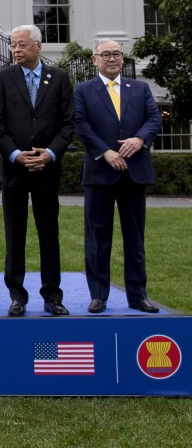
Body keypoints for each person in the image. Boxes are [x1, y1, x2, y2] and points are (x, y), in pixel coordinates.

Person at [0, 24, 74, 317]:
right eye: (13, 45)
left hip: (47, 170)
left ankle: (52, 295)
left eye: (22, 45)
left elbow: (67, 124)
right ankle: (17, 295)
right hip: (14, 170)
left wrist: (49, 154)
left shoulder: (59, 78)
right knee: (15, 234)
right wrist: (15, 155)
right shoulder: (3, 78)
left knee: (49, 233)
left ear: (38, 46)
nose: (16, 50)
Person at [73, 39, 162, 313]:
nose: (111, 59)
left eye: (117, 54)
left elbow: (154, 118)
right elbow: (80, 123)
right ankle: (99, 295)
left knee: (135, 238)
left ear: (123, 59)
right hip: (101, 172)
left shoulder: (140, 88)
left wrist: (140, 139)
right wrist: (106, 152)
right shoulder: (83, 90)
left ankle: (138, 295)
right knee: (97, 238)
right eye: (105, 54)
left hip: (134, 172)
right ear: (94, 59)